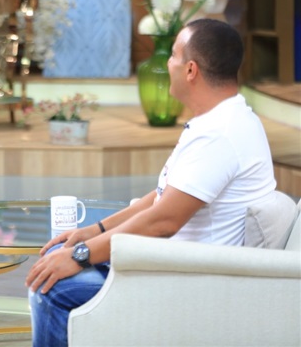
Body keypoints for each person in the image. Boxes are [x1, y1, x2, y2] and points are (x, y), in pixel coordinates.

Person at [25, 18, 276, 346]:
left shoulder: (219, 135)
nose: (168, 64)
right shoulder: (223, 119)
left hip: (185, 284)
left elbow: (163, 222)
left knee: (50, 288)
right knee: (60, 253)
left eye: (173, 56)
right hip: (168, 265)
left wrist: (80, 256)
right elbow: (161, 197)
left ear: (191, 70)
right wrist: (94, 231)